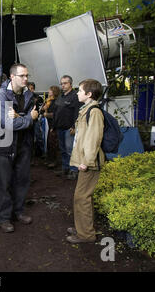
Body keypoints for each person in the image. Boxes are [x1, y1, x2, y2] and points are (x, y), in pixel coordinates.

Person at [0, 63, 39, 233]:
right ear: (12, 77)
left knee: (22, 180)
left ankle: (18, 211)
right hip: (4, 146)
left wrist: (23, 117)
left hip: (23, 145)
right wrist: (29, 118)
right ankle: (4, 218)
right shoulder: (0, 96)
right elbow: (9, 123)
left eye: (27, 75)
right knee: (4, 183)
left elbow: (36, 115)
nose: (26, 79)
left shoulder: (30, 95)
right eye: (22, 76)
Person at [66, 79, 105, 244]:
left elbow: (93, 138)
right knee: (80, 197)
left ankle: (86, 234)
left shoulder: (94, 111)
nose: (77, 93)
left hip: (90, 163)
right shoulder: (87, 110)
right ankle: (82, 228)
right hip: (86, 161)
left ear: (89, 94)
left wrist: (87, 161)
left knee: (82, 197)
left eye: (80, 91)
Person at [53, 75, 82, 180]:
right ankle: (65, 168)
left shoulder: (75, 96)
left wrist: (74, 126)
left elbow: (77, 113)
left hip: (69, 128)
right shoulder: (61, 96)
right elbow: (56, 112)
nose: (63, 85)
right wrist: (53, 126)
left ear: (71, 84)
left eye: (65, 83)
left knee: (71, 150)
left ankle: (74, 170)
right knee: (63, 150)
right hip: (60, 127)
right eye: (61, 83)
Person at [40, 85, 61, 169]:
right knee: (49, 143)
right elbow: (41, 111)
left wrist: (47, 114)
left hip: (54, 125)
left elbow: (57, 115)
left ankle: (54, 161)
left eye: (50, 90)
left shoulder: (57, 102)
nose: (48, 91)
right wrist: (43, 109)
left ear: (54, 92)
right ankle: (50, 160)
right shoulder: (47, 101)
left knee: (53, 144)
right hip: (49, 125)